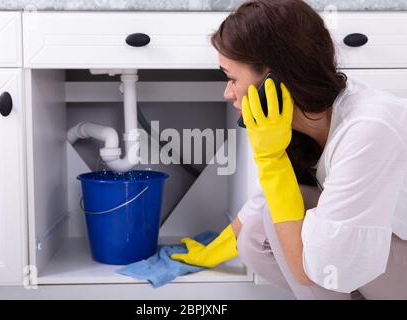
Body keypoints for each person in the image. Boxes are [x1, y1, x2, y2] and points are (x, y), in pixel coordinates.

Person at [171, 0, 407, 299]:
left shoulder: (369, 129)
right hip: (387, 247)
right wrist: (213, 251)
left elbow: (310, 270)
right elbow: (266, 203)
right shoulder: (311, 116)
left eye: (232, 79)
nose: (227, 92)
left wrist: (270, 160)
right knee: (256, 233)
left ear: (274, 82)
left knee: (287, 228)